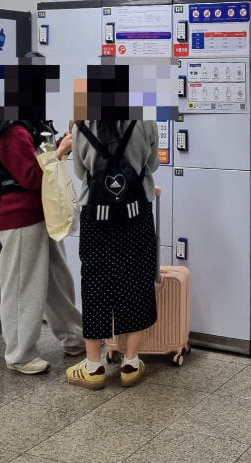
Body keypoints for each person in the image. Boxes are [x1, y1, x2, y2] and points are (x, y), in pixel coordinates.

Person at [65, 120, 159, 390]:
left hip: (97, 218)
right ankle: (130, 363)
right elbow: (151, 165)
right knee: (136, 280)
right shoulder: (144, 122)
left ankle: (93, 367)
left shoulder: (82, 125)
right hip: (136, 214)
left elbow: (81, 172)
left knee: (96, 283)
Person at [0, 119, 85, 374]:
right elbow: (31, 177)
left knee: (57, 279)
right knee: (23, 285)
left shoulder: (30, 127)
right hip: (19, 217)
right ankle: (19, 354)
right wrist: (61, 151)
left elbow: (42, 161)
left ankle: (75, 337)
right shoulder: (12, 131)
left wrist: (57, 148)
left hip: (42, 214)